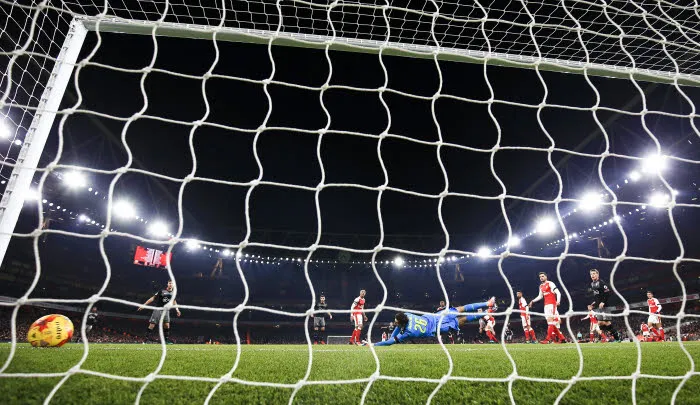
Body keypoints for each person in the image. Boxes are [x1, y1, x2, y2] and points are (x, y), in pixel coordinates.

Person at [363, 297, 496, 346]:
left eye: (396, 321)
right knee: (460, 309)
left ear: (401, 322)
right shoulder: (407, 315)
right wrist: (389, 340)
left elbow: (392, 340)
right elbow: (397, 329)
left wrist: (374, 345)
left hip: (438, 327)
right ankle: (487, 303)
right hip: (435, 317)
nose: (395, 322)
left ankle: (487, 311)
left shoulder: (408, 332)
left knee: (463, 320)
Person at [529, 272, 567, 344]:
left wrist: (558, 301)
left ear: (546, 276)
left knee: (550, 322)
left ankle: (547, 339)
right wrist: (532, 301)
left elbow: (558, 293)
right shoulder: (541, 286)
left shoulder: (550, 283)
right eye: (540, 277)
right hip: (546, 306)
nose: (541, 278)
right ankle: (562, 338)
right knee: (550, 323)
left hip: (552, 305)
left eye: (543, 276)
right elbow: (540, 296)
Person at [589, 269, 618, 341]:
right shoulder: (592, 284)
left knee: (607, 322)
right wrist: (594, 303)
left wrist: (603, 302)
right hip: (598, 306)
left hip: (605, 305)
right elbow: (597, 296)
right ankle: (605, 338)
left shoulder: (601, 283)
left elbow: (608, 293)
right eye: (591, 274)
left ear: (597, 275)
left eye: (594, 273)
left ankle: (617, 338)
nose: (592, 275)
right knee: (600, 323)